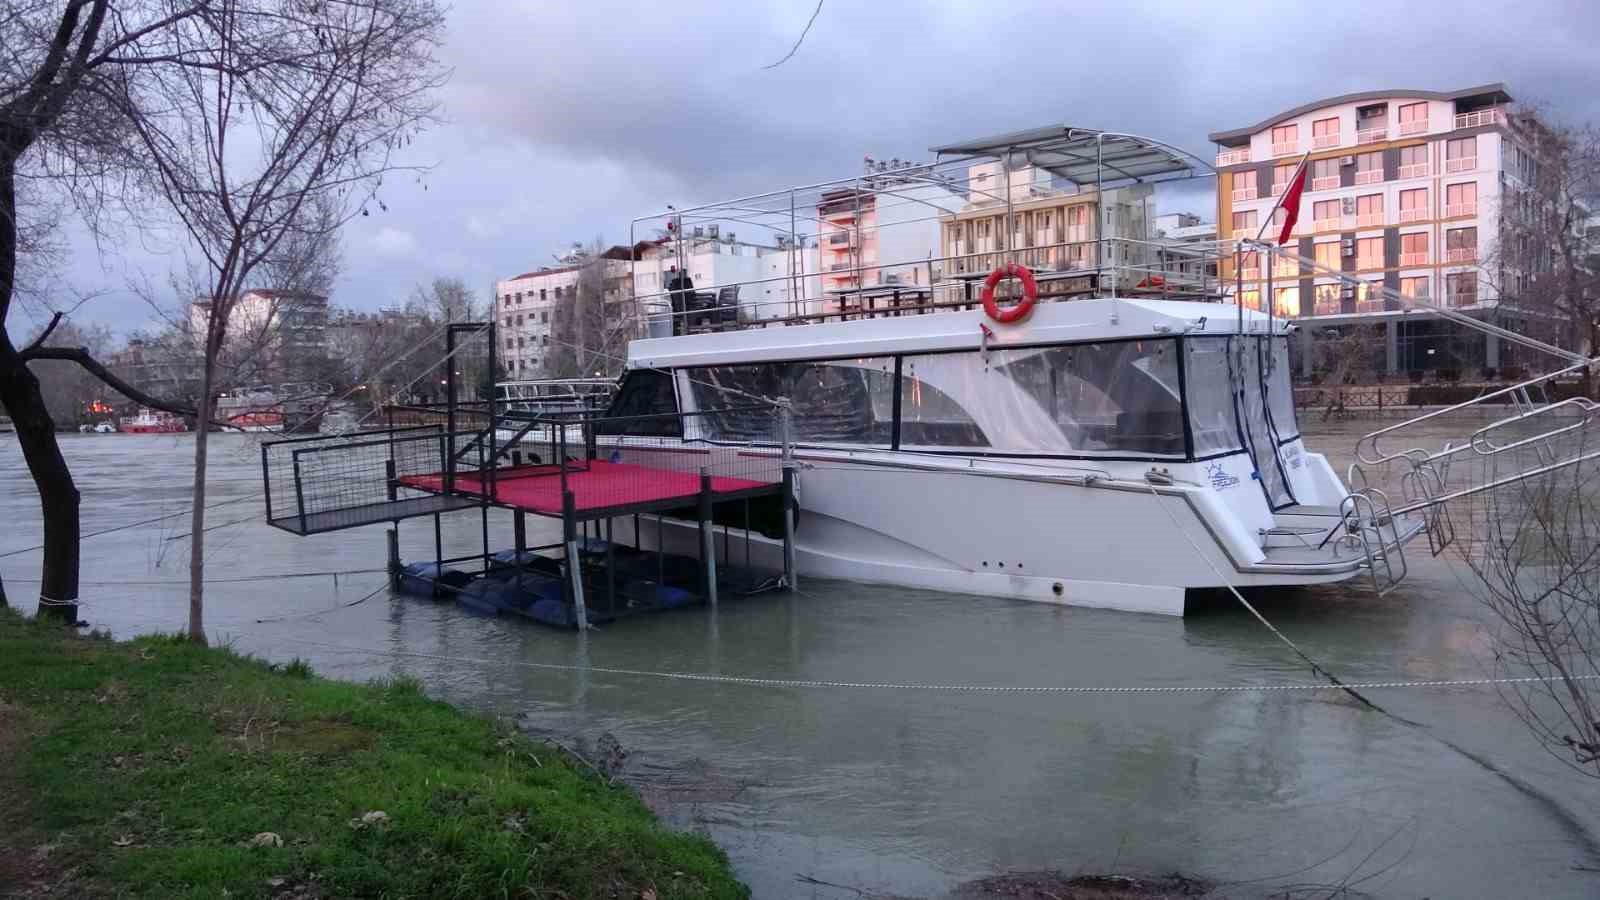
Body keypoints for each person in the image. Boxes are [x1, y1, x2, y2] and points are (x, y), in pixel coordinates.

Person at [665, 265, 695, 336]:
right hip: (688, 308)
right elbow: (692, 296)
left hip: (678, 310)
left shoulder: (673, 285)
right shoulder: (685, 283)